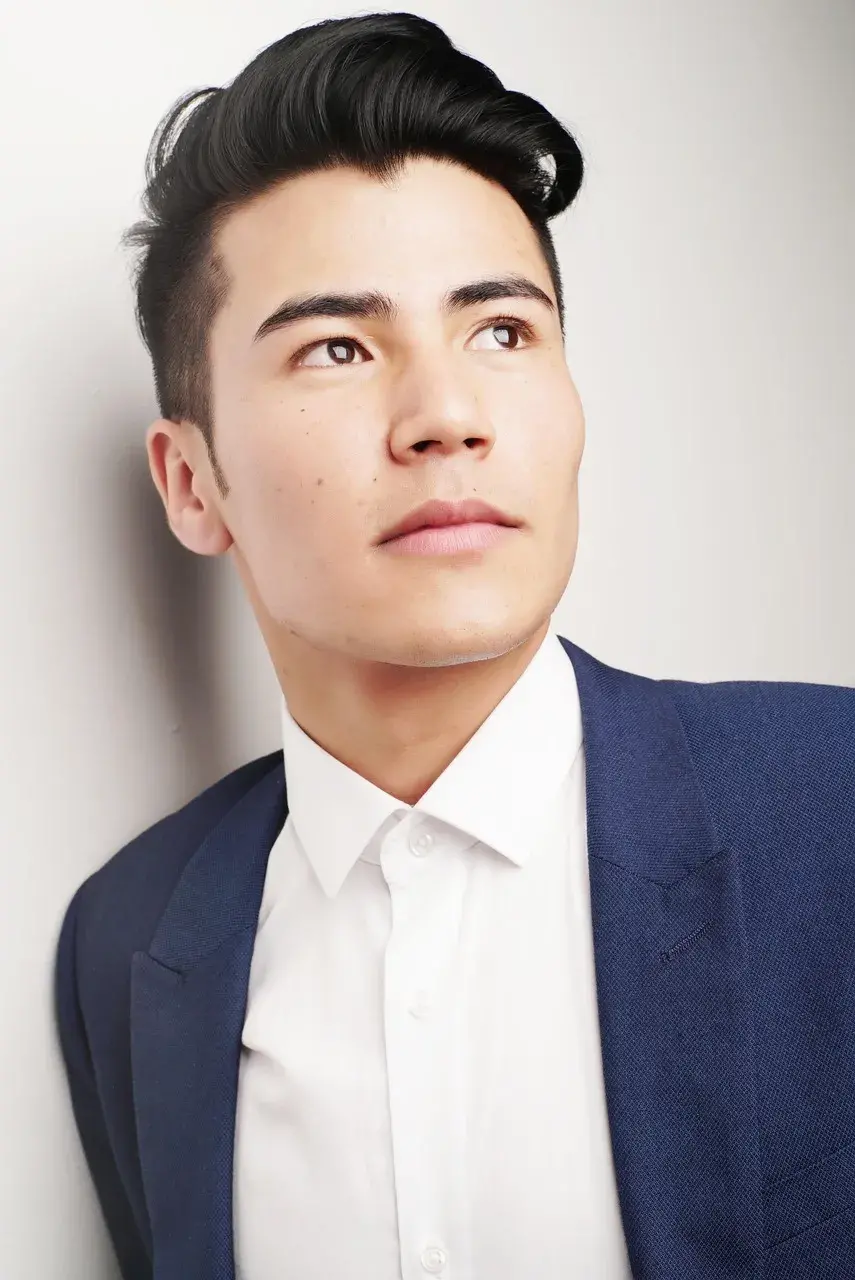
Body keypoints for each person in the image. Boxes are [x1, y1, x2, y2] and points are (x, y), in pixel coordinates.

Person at [54, 12, 855, 1280]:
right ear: (192, 482)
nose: (446, 415)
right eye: (338, 347)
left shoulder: (830, 801)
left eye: (501, 331)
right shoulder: (129, 942)